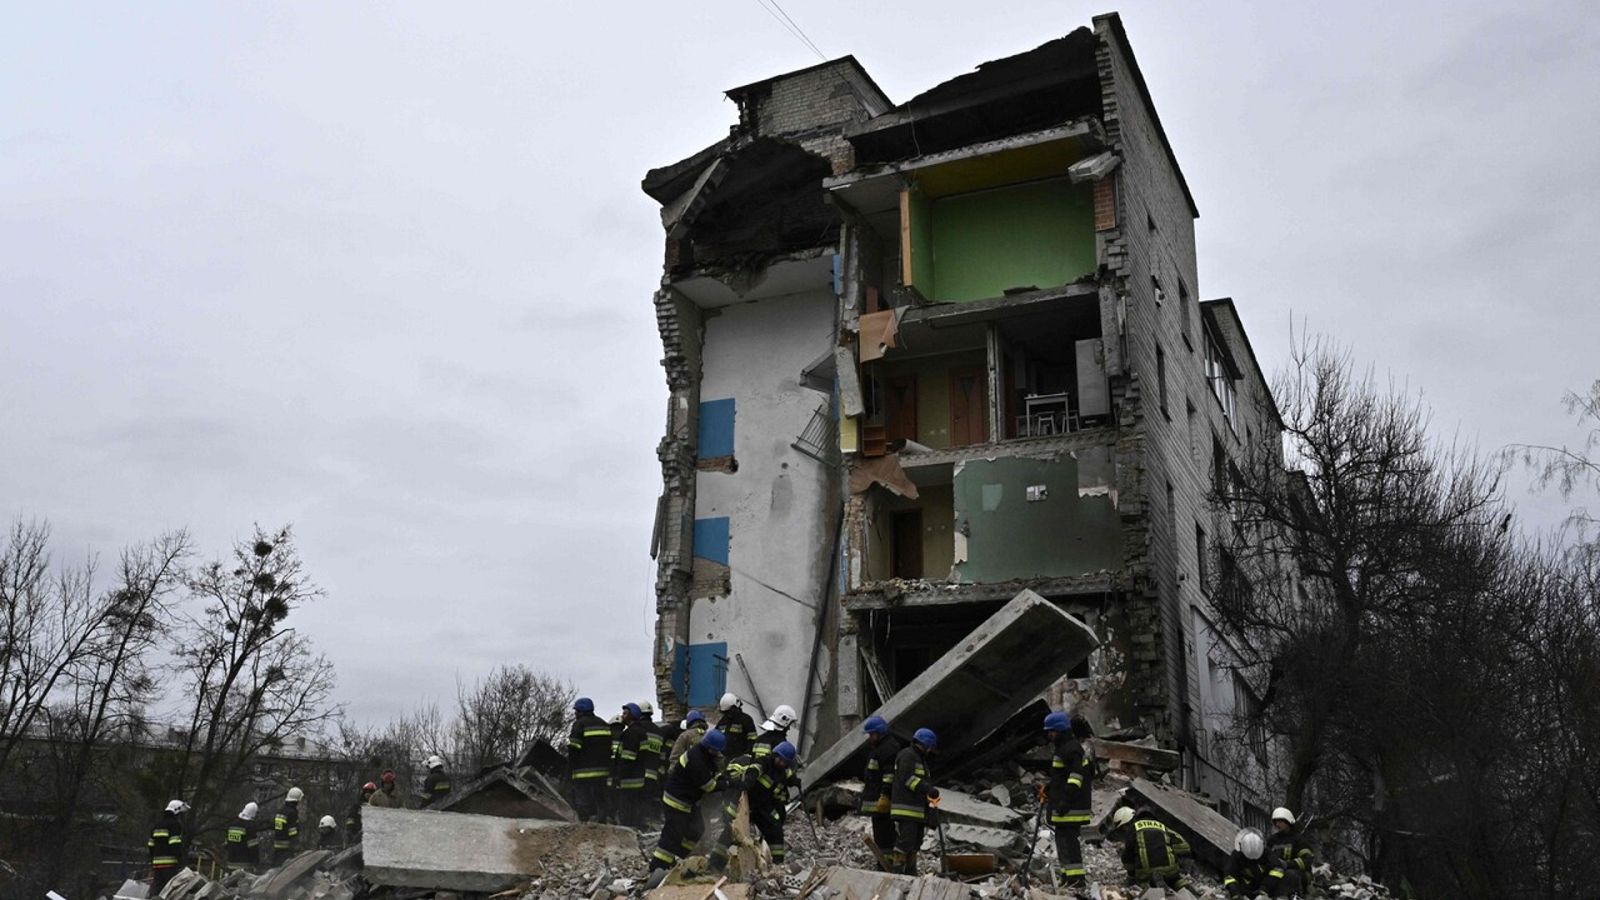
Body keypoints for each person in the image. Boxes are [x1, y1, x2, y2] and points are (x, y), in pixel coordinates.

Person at [650, 728, 731, 875]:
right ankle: (657, 868)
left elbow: (714, 773)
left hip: (688, 801)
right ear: (709, 748)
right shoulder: (696, 759)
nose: (718, 753)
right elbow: (708, 786)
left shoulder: (705, 755)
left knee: (696, 830)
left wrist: (722, 777)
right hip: (676, 800)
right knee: (672, 836)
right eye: (716, 751)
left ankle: (678, 858)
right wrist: (725, 784)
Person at [712, 740, 801, 871]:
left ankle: (777, 864)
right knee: (732, 831)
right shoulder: (764, 762)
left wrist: (795, 781)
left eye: (785, 762)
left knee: (775, 828)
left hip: (763, 806)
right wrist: (749, 779)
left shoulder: (783, 770)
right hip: (747, 804)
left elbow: (788, 777)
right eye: (780, 759)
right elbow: (755, 769)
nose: (782, 763)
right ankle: (714, 864)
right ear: (775, 755)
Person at [1043, 711, 1093, 889]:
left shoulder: (1071, 749)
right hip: (1064, 805)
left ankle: (1077, 879)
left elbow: (1076, 777)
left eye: (1052, 731)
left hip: (1072, 807)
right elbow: (1062, 776)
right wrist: (1050, 788)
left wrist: (1065, 799)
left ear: (1060, 730)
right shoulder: (1064, 747)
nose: (1049, 735)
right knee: (1062, 842)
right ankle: (1067, 876)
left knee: (1069, 843)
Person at [889, 728, 940, 875]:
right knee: (906, 842)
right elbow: (908, 779)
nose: (930, 750)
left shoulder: (919, 758)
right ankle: (898, 871)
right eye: (930, 747)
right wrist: (928, 789)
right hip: (906, 808)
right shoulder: (908, 755)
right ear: (926, 744)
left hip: (916, 810)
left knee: (916, 843)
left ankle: (911, 873)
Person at [1107, 806, 1191, 891]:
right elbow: (1183, 845)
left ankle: (1151, 885)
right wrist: (1180, 860)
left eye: (1123, 827)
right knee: (1174, 878)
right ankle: (1183, 886)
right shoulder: (1161, 826)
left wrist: (1131, 875)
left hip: (1147, 871)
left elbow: (1127, 858)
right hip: (1170, 868)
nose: (1124, 830)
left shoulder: (1132, 830)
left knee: (1143, 884)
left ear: (1128, 821)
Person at [858, 716, 900, 870]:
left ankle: (886, 863)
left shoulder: (888, 749)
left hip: (882, 800)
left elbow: (889, 776)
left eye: (872, 734)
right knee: (881, 833)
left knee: (885, 834)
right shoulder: (880, 747)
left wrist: (885, 795)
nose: (870, 738)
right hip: (877, 799)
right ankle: (884, 861)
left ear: (880, 733)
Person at [567, 697, 613, 822]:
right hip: (602, 772)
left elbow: (574, 748)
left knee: (583, 800)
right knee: (600, 800)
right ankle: (602, 823)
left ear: (581, 711)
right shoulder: (604, 724)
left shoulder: (579, 724)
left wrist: (570, 769)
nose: (575, 714)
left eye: (576, 711)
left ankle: (584, 824)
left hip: (583, 772)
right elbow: (609, 748)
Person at [611, 703, 648, 826]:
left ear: (632, 716)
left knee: (626, 808)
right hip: (639, 777)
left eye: (625, 713)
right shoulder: (641, 732)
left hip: (629, 779)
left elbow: (627, 758)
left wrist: (619, 775)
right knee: (636, 808)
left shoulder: (631, 733)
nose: (622, 716)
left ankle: (628, 829)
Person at [1265, 807, 1316, 894]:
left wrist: (1287, 864)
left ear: (1288, 822)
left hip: (1298, 873)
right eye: (1275, 822)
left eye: (1280, 821)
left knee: (1289, 874)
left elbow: (1307, 860)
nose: (1277, 824)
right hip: (1277, 871)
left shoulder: (1298, 840)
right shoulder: (1272, 840)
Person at [148, 799, 189, 894]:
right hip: (170, 865)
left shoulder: (156, 825)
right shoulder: (174, 825)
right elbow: (175, 844)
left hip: (157, 864)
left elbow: (150, 845)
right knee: (170, 892)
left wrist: (153, 860)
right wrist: (181, 860)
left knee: (156, 889)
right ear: (176, 811)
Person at [638, 701, 665, 824]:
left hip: (639, 772)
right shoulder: (658, 731)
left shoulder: (637, 728)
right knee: (652, 797)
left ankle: (644, 822)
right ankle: (654, 821)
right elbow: (662, 754)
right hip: (654, 772)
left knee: (640, 799)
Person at [1224, 828, 1272, 897]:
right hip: (1245, 888)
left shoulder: (1267, 853)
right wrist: (1234, 891)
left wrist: (1265, 888)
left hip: (1267, 887)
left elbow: (1277, 869)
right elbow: (1229, 874)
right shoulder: (1237, 855)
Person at [226, 802, 264, 874]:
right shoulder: (249, 827)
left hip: (231, 864)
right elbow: (253, 847)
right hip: (245, 866)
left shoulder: (232, 825)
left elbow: (228, 844)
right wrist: (256, 862)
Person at [715, 693, 757, 759]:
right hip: (725, 758)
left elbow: (752, 739)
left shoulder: (746, 719)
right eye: (725, 712)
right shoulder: (722, 722)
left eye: (729, 712)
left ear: (734, 708)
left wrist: (747, 755)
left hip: (741, 758)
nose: (727, 714)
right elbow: (715, 738)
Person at [273, 787, 303, 860]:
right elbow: (292, 832)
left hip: (277, 844)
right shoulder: (292, 812)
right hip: (287, 846)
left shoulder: (281, 810)